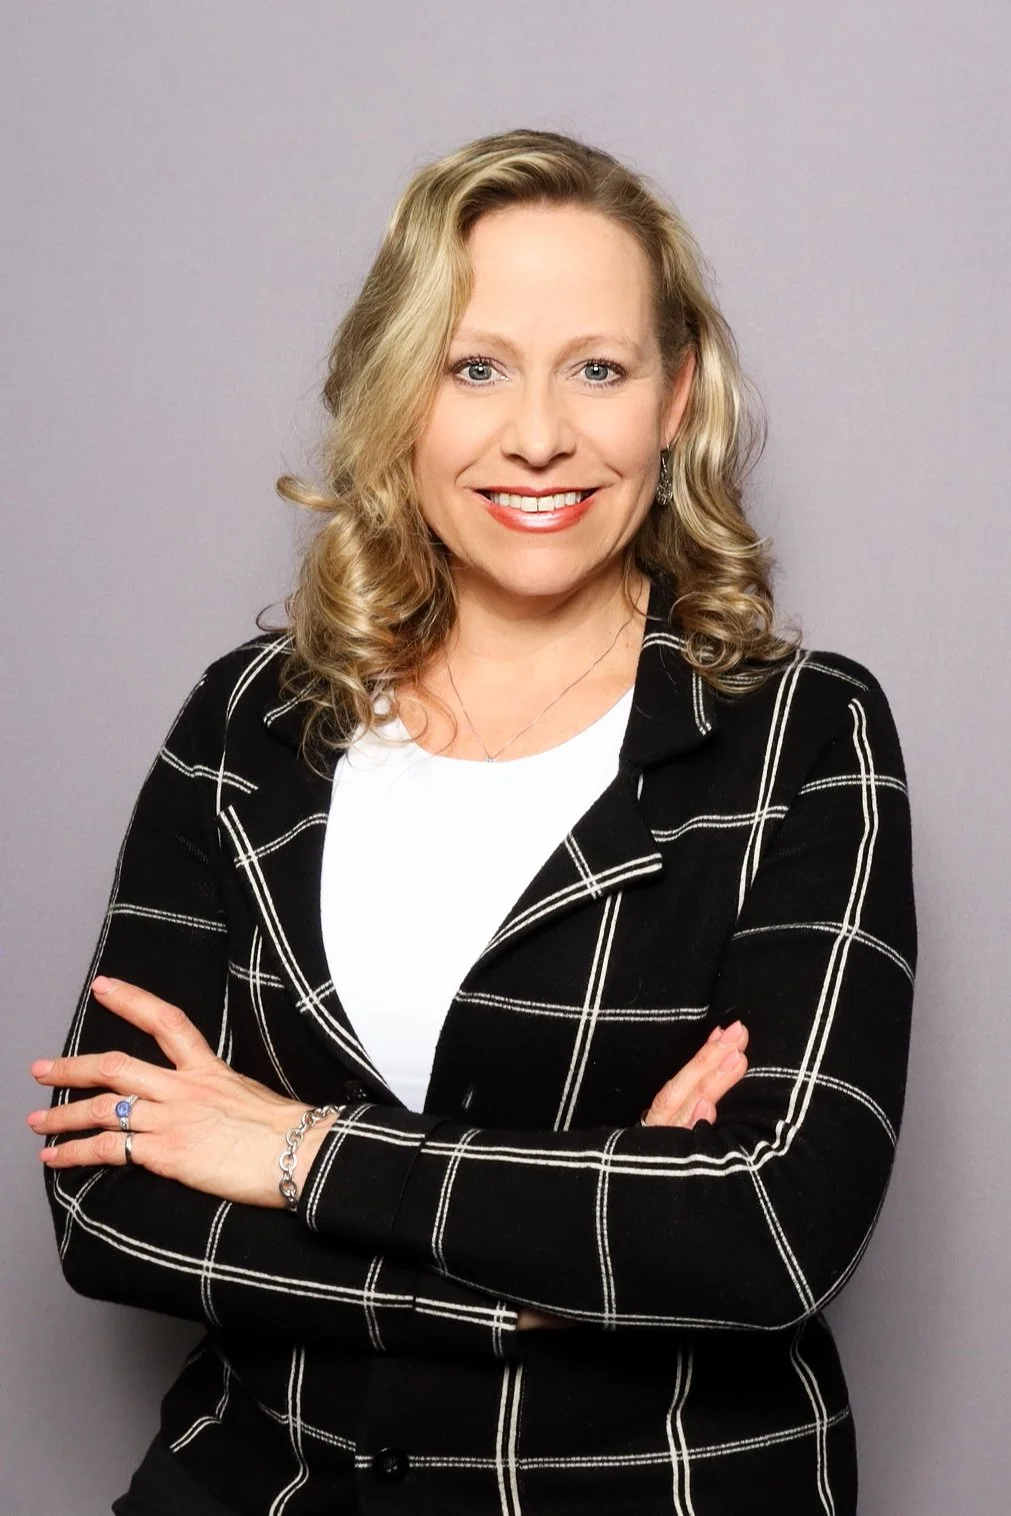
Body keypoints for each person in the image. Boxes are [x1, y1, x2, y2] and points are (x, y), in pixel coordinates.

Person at [27, 127, 916, 1515]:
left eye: (599, 370)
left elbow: (772, 1229)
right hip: (260, 1484)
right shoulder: (247, 723)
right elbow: (108, 1193)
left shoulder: (801, 735)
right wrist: (554, 1277)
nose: (539, 434)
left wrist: (288, 1151)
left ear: (674, 397)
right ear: (398, 396)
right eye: (474, 365)